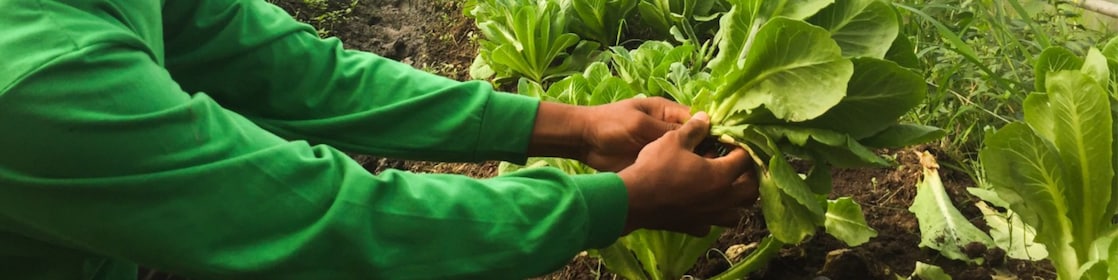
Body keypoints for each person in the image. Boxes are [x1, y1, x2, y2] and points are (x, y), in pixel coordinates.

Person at [0, 0, 759, 279]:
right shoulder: (37, 77)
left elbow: (288, 70)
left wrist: (570, 125)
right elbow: (320, 219)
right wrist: (612, 205)